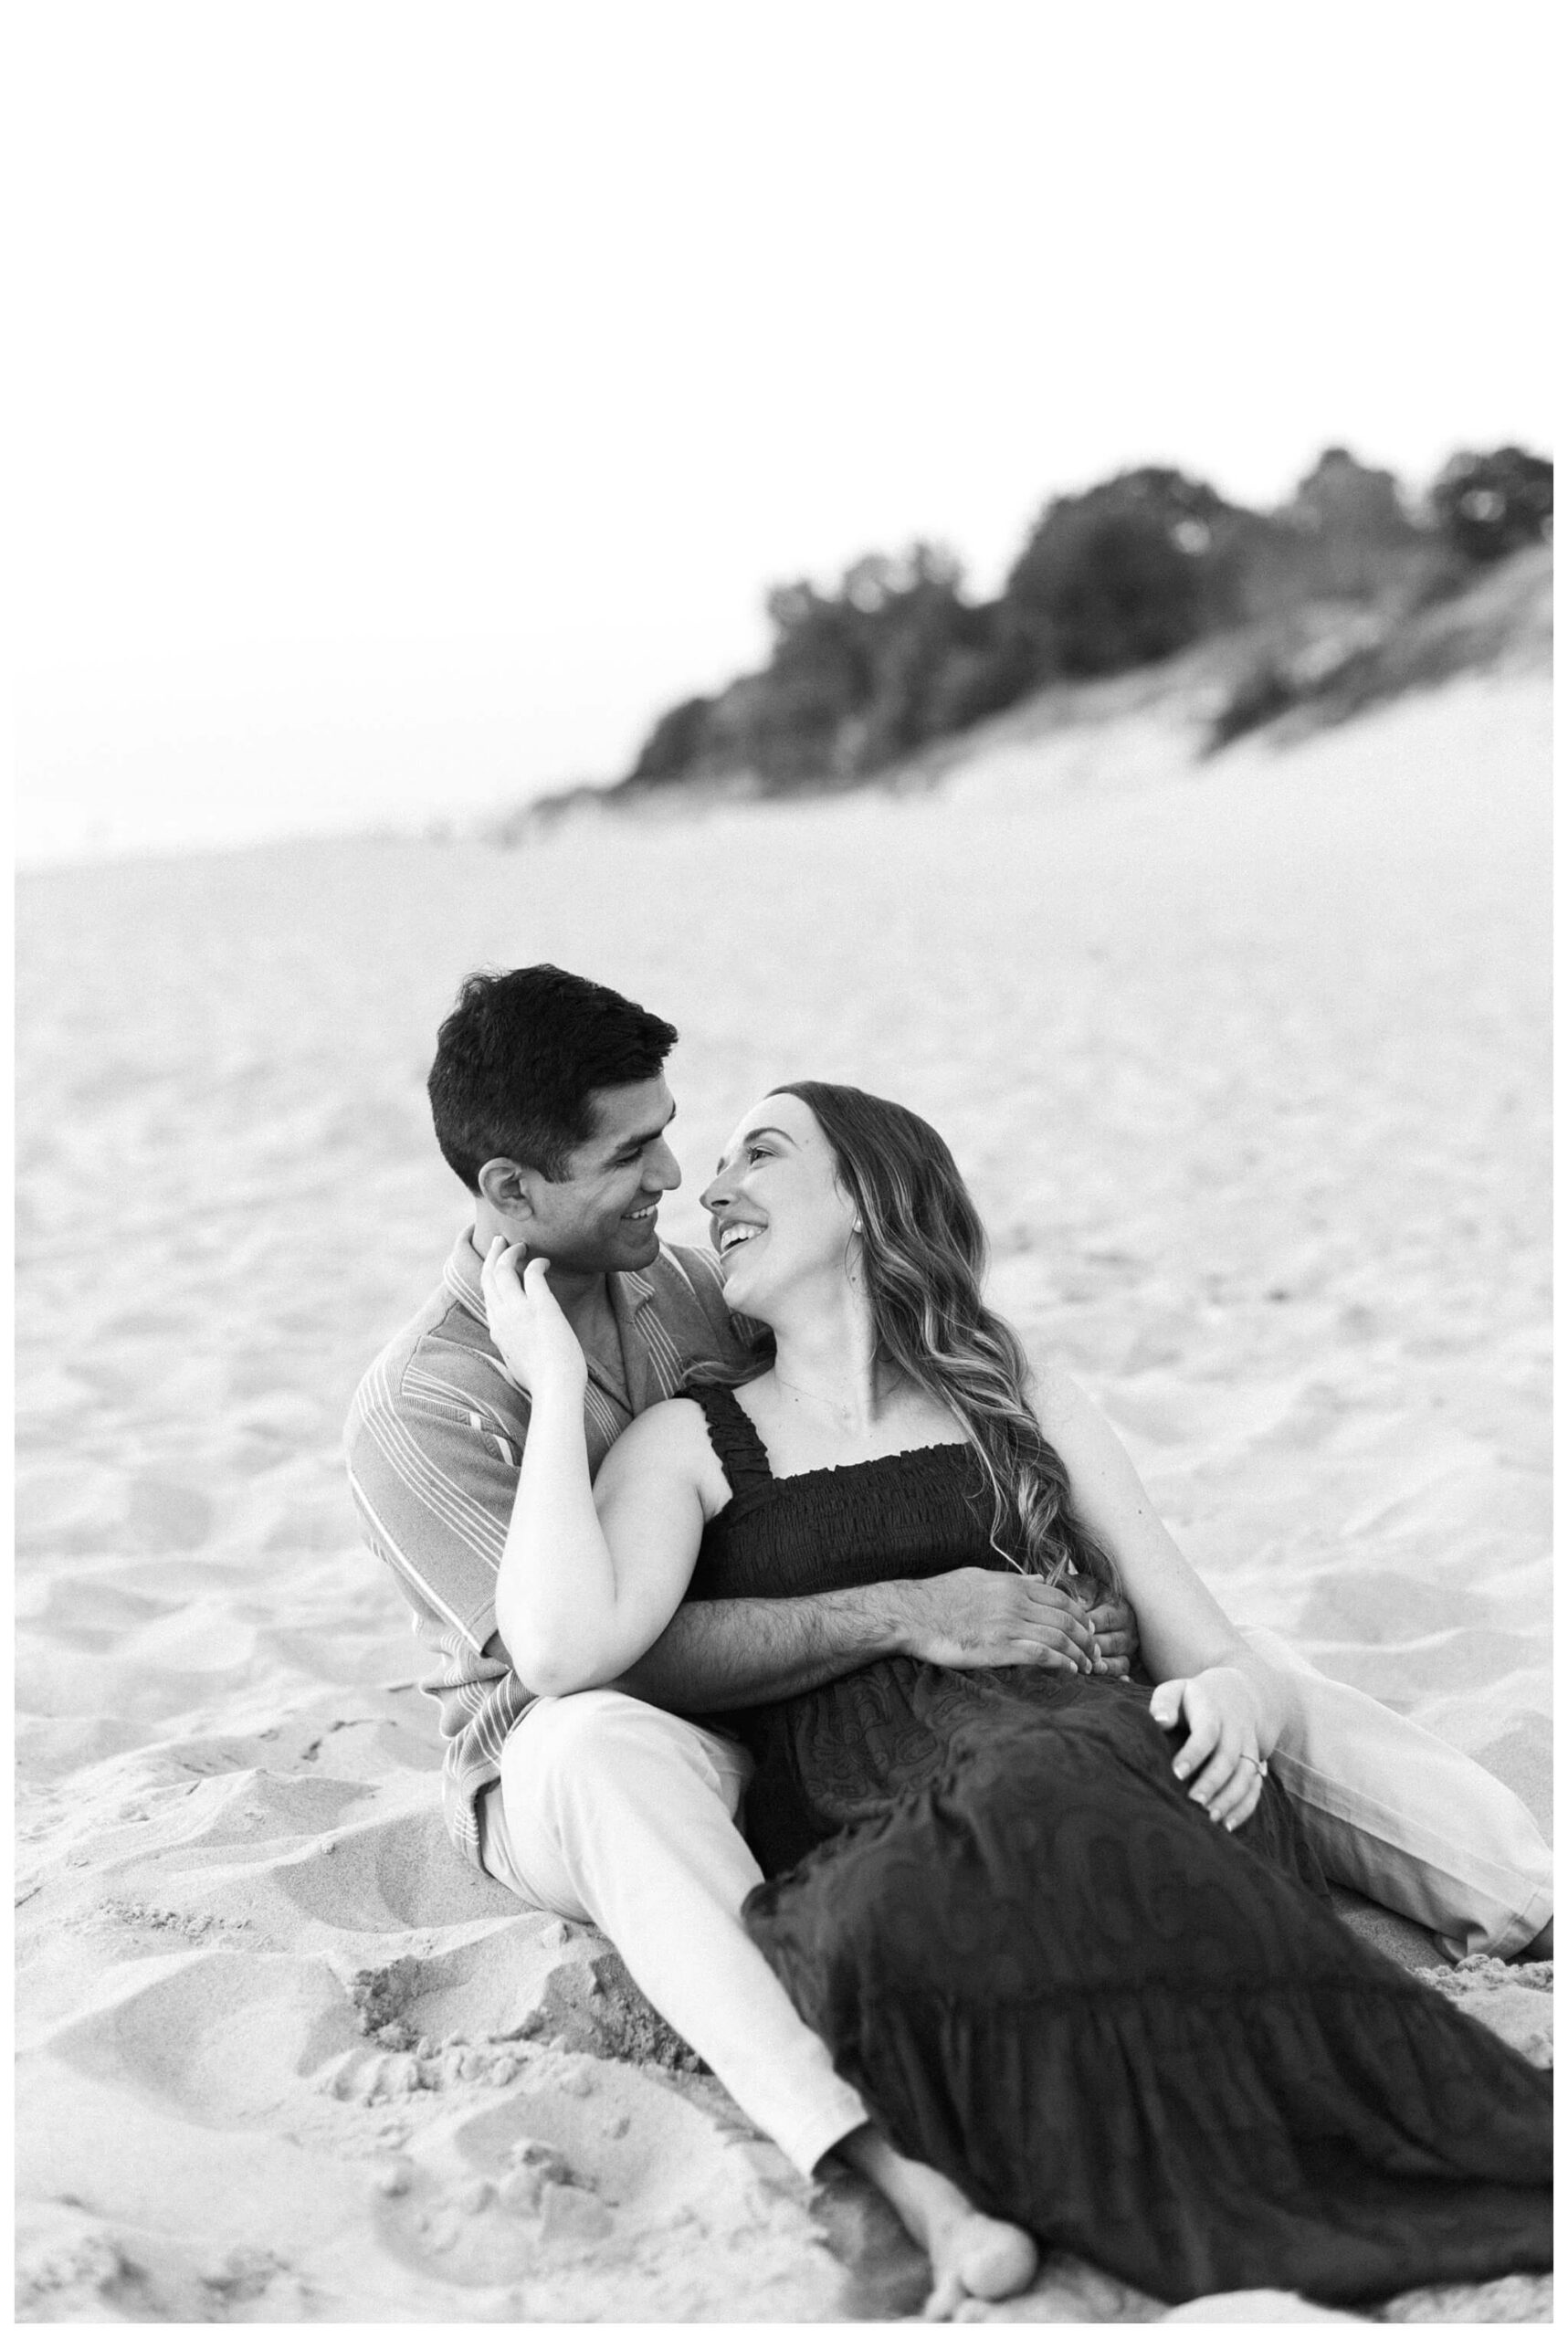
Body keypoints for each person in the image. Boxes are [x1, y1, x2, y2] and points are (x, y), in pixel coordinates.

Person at [344, 966, 1551, 2284]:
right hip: (587, 1743)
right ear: (511, 1192)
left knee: (1221, 1665)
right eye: (633, 1154)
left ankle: (1521, 1898)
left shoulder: (693, 1287)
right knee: (600, 1753)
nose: (681, 1179)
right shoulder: (426, 1407)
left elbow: (893, 1413)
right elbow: (583, 1663)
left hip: (854, 1695)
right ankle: (868, 2158)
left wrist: (1097, 1633)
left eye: (691, 1138)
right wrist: (913, 1611)